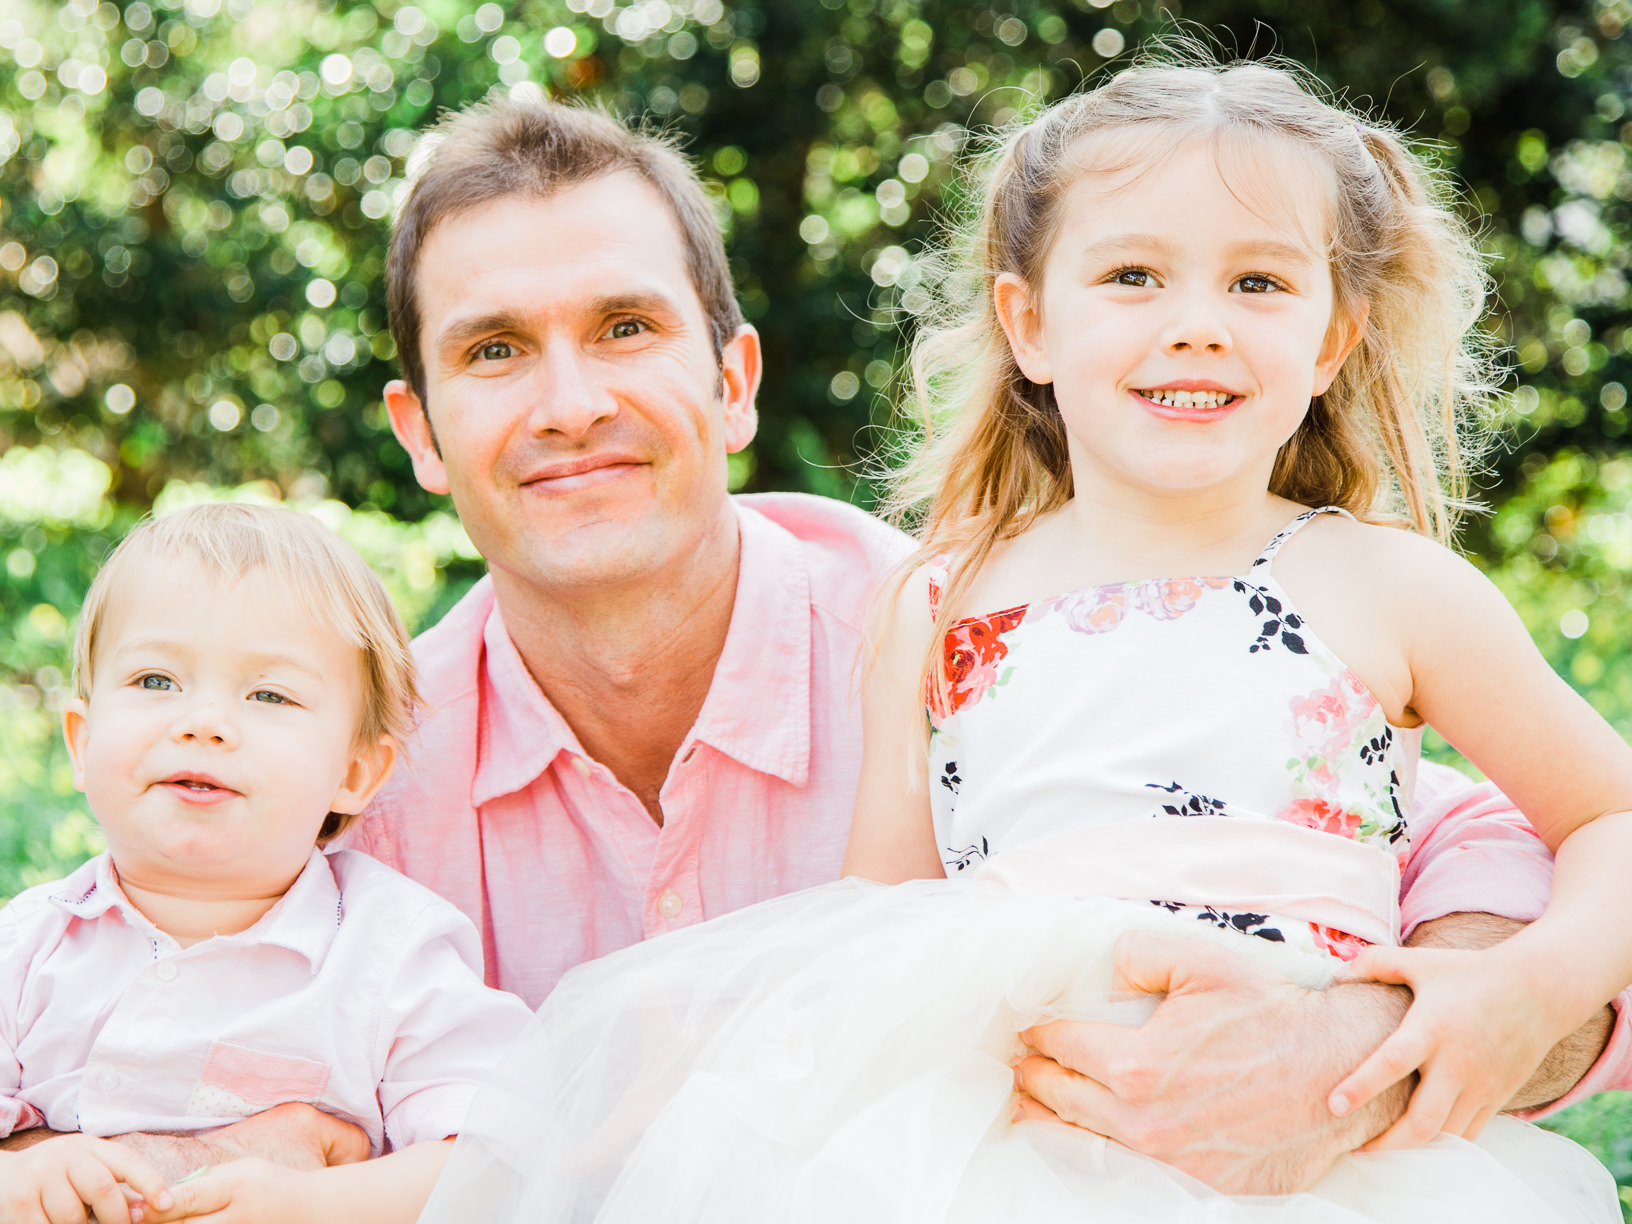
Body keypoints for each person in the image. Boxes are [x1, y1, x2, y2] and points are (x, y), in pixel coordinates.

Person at [415, 58, 1632, 1221]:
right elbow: (875, 929)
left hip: (1321, 1155)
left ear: (1331, 339)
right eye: (1134, 277)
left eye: (1257, 283)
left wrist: (1511, 995)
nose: (1197, 326)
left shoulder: (1388, 587)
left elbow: (1573, 822)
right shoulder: (939, 607)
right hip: (1009, 1151)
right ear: (1029, 325)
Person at [0, 504, 532, 1224]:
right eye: (157, 681)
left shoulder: (391, 951)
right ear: (81, 742)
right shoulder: (28, 946)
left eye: (268, 694)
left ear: (354, 773)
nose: (204, 721)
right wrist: (27, 1175)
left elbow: (498, 1153)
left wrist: (314, 1204)